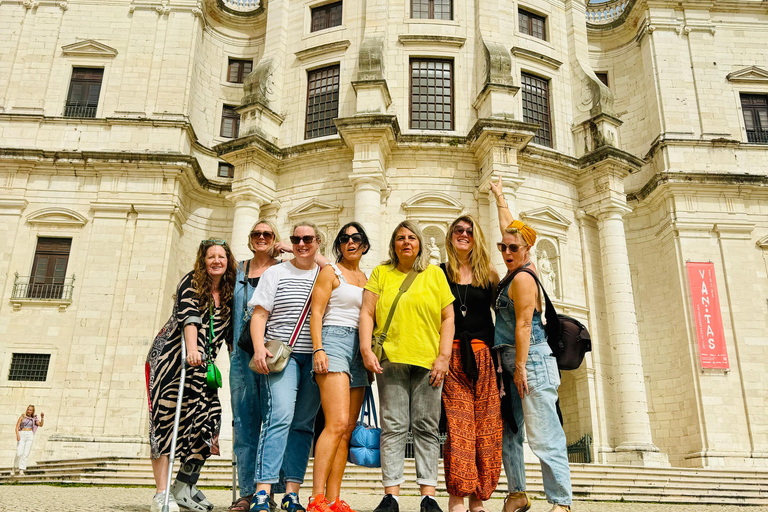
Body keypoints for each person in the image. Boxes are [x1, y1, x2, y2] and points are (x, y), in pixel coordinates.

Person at [359, 220, 455, 512]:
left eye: (412, 237)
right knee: (394, 426)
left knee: (426, 426)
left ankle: (429, 496)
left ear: (420, 244)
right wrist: (365, 348)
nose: (406, 242)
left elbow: (448, 318)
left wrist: (444, 356)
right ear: (394, 244)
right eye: (400, 238)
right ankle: (392, 495)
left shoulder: (435, 275)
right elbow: (367, 311)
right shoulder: (381, 272)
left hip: (428, 361)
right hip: (391, 357)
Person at [146, 238, 237, 512]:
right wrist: (193, 349)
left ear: (228, 261)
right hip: (172, 360)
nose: (216, 261)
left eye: (221, 256)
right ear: (203, 260)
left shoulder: (230, 291)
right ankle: (161, 493)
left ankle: (184, 485)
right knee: (166, 420)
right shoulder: (191, 282)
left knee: (210, 420)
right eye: (211, 257)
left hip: (202, 365)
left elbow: (230, 334)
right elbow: (190, 318)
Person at [493, 218, 572, 512]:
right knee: (509, 430)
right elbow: (511, 225)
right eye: (503, 246)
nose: (507, 251)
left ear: (528, 249)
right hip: (510, 361)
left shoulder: (525, 278)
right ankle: (517, 494)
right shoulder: (514, 272)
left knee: (543, 432)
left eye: (513, 247)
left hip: (531, 360)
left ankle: (561, 502)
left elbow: (525, 324)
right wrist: (500, 198)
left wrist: (522, 367)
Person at [247, 222, 324, 512]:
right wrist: (258, 348)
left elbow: (338, 274)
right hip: (283, 355)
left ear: (318, 241)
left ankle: (292, 492)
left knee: (303, 425)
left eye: (307, 239)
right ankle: (263, 491)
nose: (301, 244)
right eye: (295, 239)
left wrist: (310, 255)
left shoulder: (324, 273)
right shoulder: (276, 272)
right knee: (279, 416)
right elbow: (260, 314)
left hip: (315, 358)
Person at [440, 216, 503, 512]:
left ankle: (478, 499)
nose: (463, 235)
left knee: (486, 429)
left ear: (476, 237)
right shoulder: (439, 273)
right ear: (450, 236)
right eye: (458, 231)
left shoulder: (488, 274)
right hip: (453, 357)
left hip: (484, 358)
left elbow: (502, 313)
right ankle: (456, 497)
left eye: (469, 232)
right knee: (459, 427)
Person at [307, 223, 371, 512]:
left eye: (356, 238)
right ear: (339, 245)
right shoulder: (330, 272)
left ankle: (333, 499)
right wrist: (318, 348)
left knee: (347, 429)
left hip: (359, 348)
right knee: (334, 423)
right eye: (344, 239)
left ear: (364, 245)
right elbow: (316, 312)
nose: (350, 242)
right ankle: (315, 497)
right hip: (333, 340)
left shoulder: (368, 278)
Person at [229, 220, 285, 512]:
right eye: (256, 234)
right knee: (245, 423)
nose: (261, 238)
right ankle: (248, 492)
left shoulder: (284, 268)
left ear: (275, 238)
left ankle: (271, 491)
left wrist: (287, 247)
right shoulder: (236, 270)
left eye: (267, 234)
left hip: (274, 354)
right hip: (241, 356)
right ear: (250, 240)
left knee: (275, 421)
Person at [13, 405, 43, 476]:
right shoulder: (22, 416)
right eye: (28, 409)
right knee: (19, 453)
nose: (28, 411)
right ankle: (14, 467)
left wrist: (42, 417)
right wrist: (18, 435)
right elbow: (17, 427)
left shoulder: (34, 418)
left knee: (25, 454)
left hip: (30, 435)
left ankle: (21, 470)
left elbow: (41, 424)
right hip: (22, 434)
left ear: (33, 411)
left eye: (30, 410)